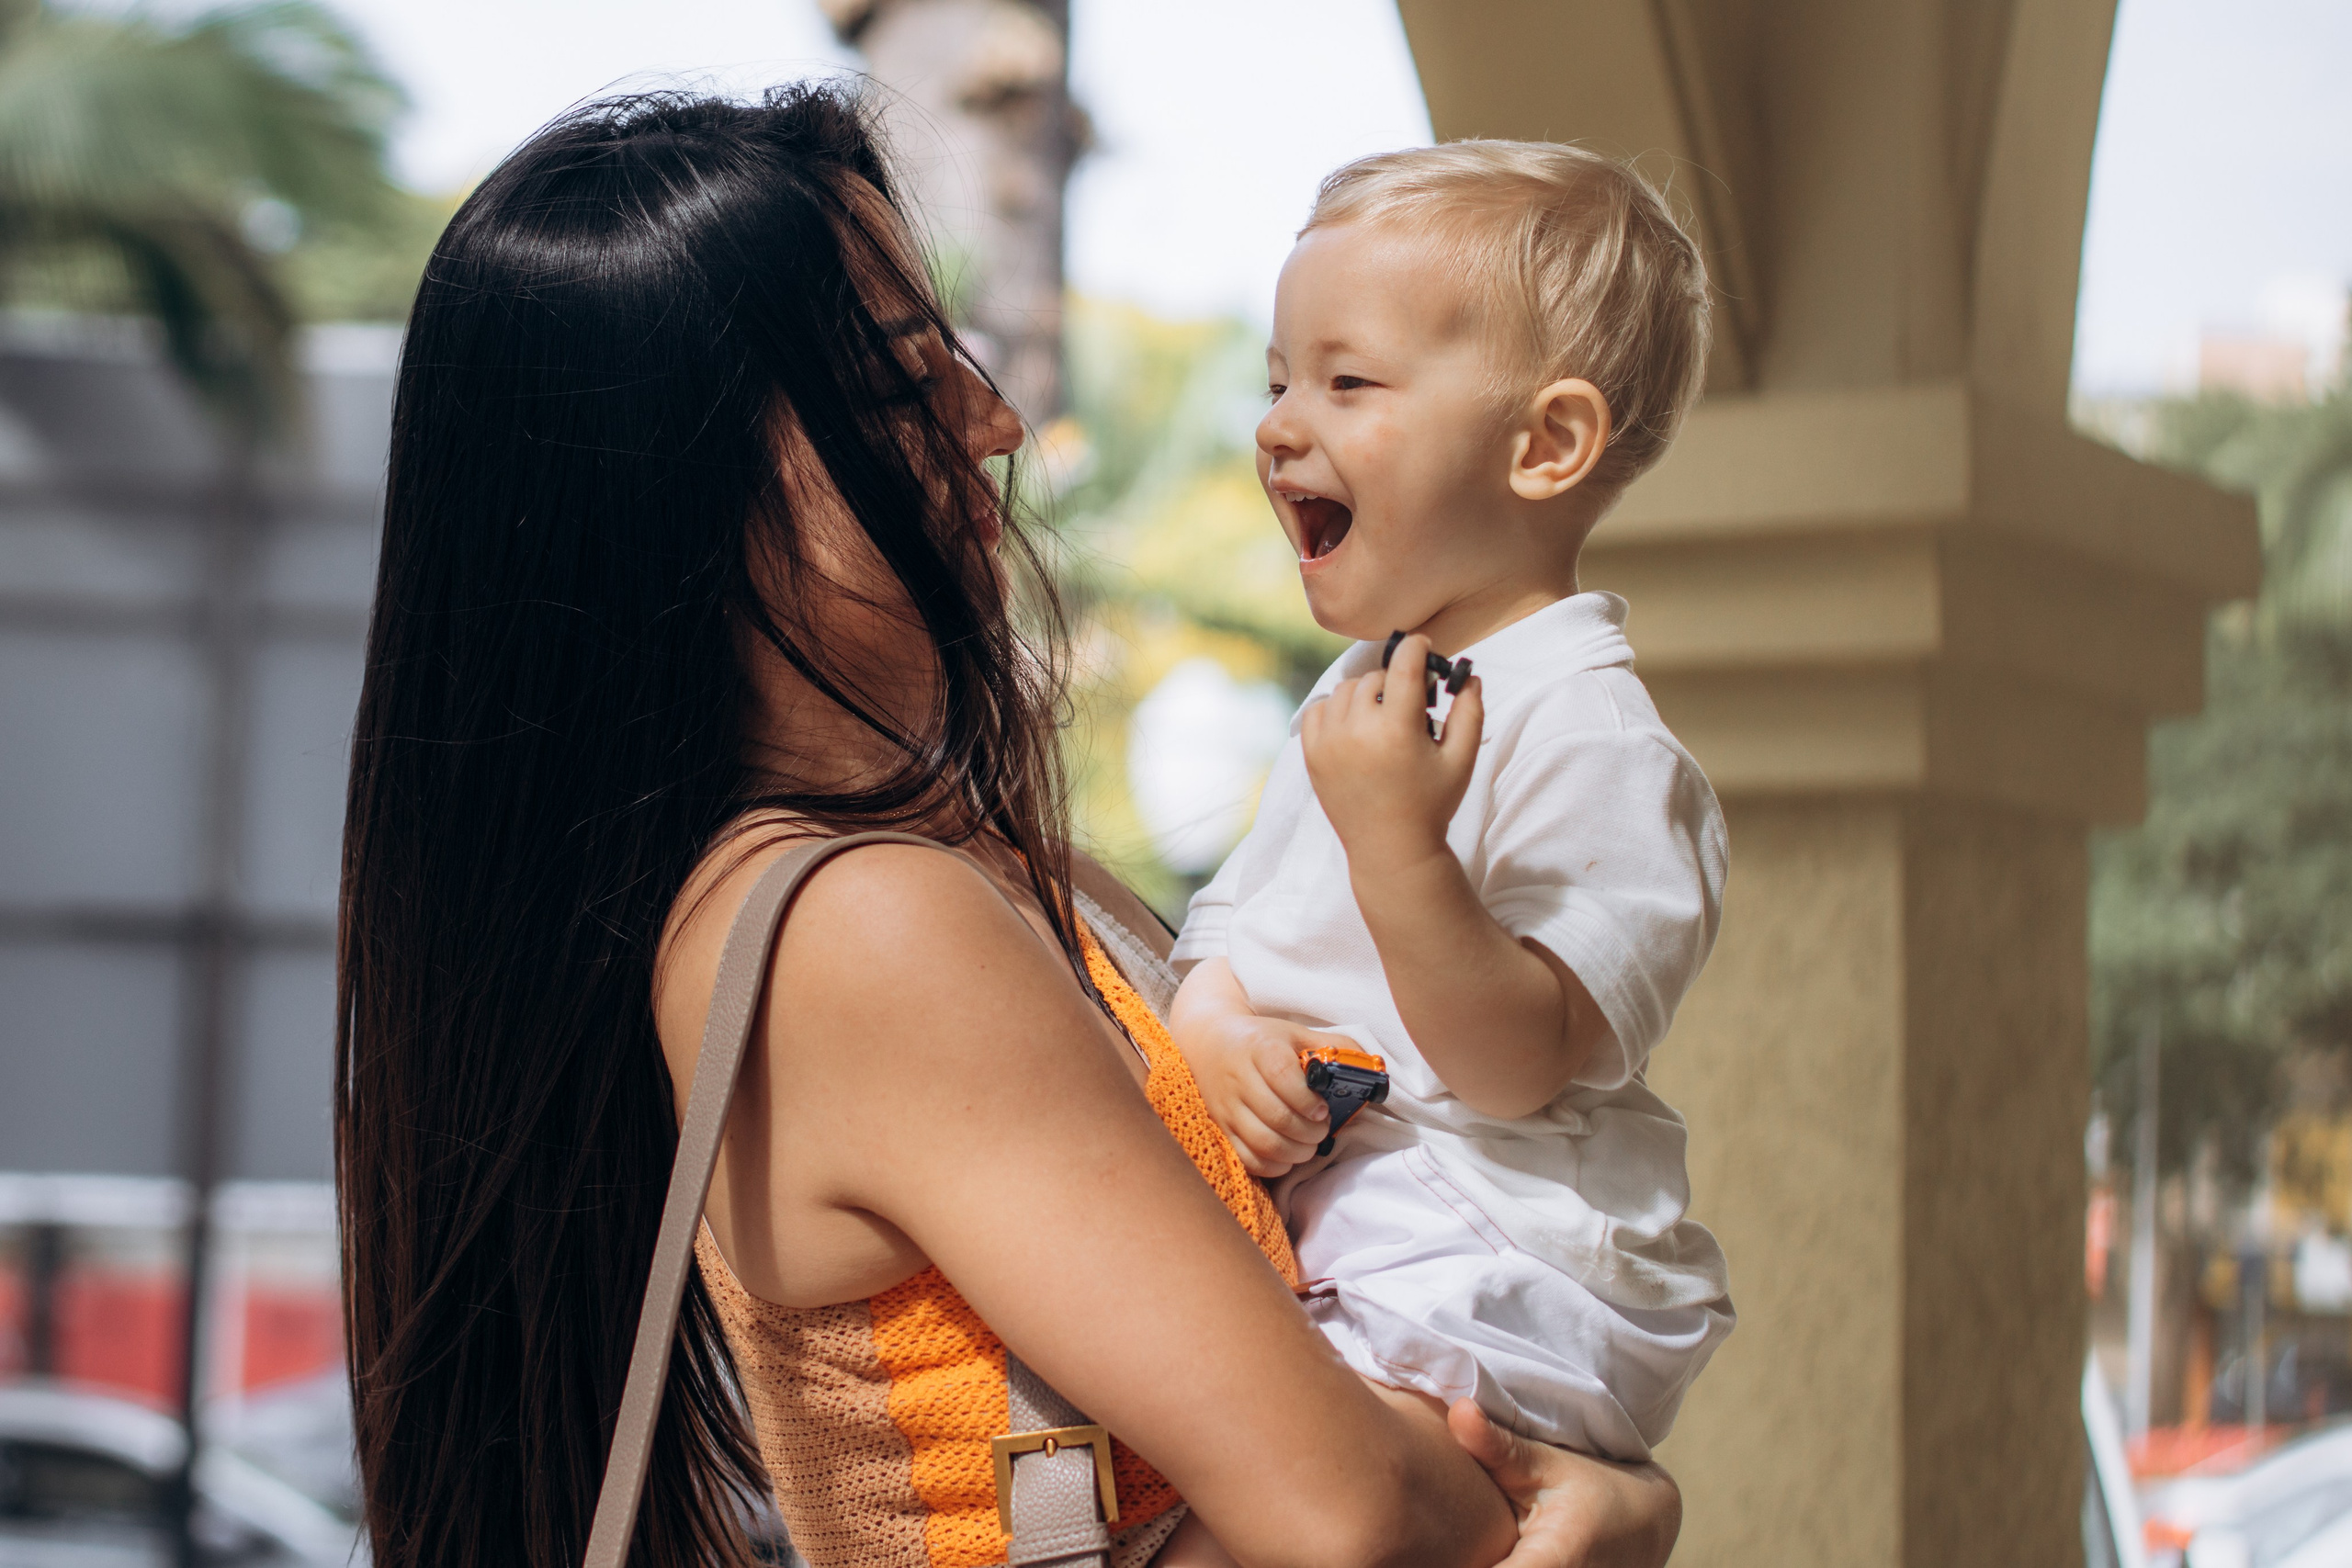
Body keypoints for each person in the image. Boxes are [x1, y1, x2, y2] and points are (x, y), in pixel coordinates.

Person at [334, 86, 1684, 1568]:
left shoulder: (973, 870)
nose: (993, 421)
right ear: (680, 486)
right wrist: (1617, 1509)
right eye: (901, 382)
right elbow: (1355, 1519)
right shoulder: (860, 924)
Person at [1163, 144, 1736, 1553]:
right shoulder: (1361, 687)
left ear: (1546, 446)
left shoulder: (1602, 742)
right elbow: (1229, 923)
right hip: (1361, 1230)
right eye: (1279, 381)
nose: (1280, 426)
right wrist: (1215, 1024)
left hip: (1493, 1264)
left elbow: (1517, 1060)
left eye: (1348, 383)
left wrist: (1399, 850)